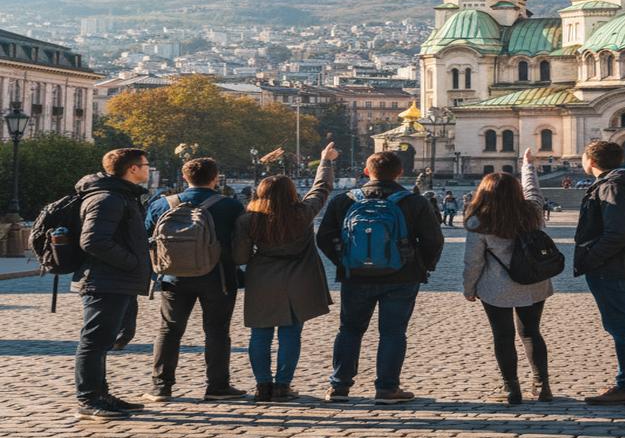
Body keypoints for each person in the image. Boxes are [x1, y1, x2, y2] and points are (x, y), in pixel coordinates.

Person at [317, 150, 444, 404]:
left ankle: (339, 387)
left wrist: (345, 262)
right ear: (400, 173)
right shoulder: (415, 202)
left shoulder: (344, 200)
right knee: (393, 333)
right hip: (402, 277)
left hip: (356, 277)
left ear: (367, 172)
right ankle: (387, 389)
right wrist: (423, 266)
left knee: (350, 331)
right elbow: (433, 240)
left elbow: (323, 237)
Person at [232, 142, 339, 403]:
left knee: (260, 334)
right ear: (292, 192)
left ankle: (262, 385)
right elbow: (321, 188)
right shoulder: (303, 213)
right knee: (291, 334)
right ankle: (282, 385)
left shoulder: (248, 219)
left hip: (262, 280)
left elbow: (240, 257)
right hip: (299, 280)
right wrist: (325, 161)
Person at [142, 157, 246, 403]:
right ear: (215, 178)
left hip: (173, 275)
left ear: (185, 177)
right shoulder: (230, 206)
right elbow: (242, 242)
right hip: (218, 276)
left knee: (169, 330)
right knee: (217, 331)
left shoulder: (162, 204)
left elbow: (147, 235)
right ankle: (217, 386)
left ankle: (161, 387)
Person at [462, 149, 554, 405]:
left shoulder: (478, 221)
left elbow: (473, 261)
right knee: (531, 332)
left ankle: (512, 389)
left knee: (502, 336)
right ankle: (542, 386)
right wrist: (528, 166)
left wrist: (469, 288)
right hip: (533, 281)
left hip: (495, 287)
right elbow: (534, 191)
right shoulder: (533, 212)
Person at [73, 148, 153, 420]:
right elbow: (93, 241)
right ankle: (89, 398)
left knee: (105, 340)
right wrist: (131, 263)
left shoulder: (120, 195)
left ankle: (102, 394)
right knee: (94, 342)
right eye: (145, 165)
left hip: (117, 280)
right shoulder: (107, 198)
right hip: (105, 280)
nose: (148, 169)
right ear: (132, 169)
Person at [574, 140, 625, 405]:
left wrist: (592, 258)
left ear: (592, 161)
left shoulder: (611, 187)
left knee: (623, 327)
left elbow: (618, 232)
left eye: (583, 157)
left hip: (613, 267)